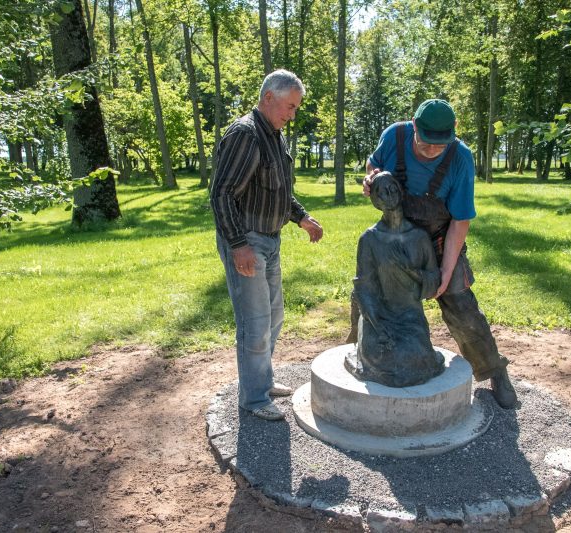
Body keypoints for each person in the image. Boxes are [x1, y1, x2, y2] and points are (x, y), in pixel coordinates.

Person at [362, 98, 517, 408]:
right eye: (426, 142)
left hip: (440, 240)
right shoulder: (394, 136)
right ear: (413, 125)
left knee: (461, 305)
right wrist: (372, 180)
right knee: (367, 295)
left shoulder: (460, 158)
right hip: (395, 239)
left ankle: (493, 370)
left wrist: (445, 273)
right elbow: (374, 166)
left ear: (454, 130)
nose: (432, 149)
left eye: (440, 144)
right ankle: (357, 353)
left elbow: (460, 221)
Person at [210, 69, 323, 421]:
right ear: (269, 97)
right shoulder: (245, 134)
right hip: (247, 241)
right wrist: (238, 244)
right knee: (255, 322)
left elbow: (277, 191)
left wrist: (301, 218)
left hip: (270, 240)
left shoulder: (274, 135)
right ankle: (255, 399)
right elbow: (221, 194)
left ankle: (262, 380)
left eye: (296, 108)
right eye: (290, 106)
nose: (293, 115)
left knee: (274, 317)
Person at [345, 171, 445, 387]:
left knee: (415, 358)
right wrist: (377, 324)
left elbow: (433, 281)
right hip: (377, 317)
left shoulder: (419, 237)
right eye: (382, 192)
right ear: (375, 200)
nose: (389, 194)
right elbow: (363, 288)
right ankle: (363, 342)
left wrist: (411, 271)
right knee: (380, 357)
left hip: (410, 317)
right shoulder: (370, 239)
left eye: (392, 188)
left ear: (400, 192)